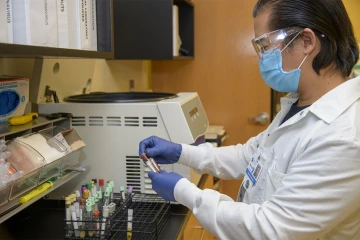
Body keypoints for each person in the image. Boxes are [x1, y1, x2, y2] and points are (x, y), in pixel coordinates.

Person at [139, 0, 360, 239]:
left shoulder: (344, 136)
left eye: (265, 46)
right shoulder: (299, 103)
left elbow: (271, 230)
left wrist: (184, 192)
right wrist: (182, 152)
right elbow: (251, 155)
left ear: (306, 41)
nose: (262, 58)